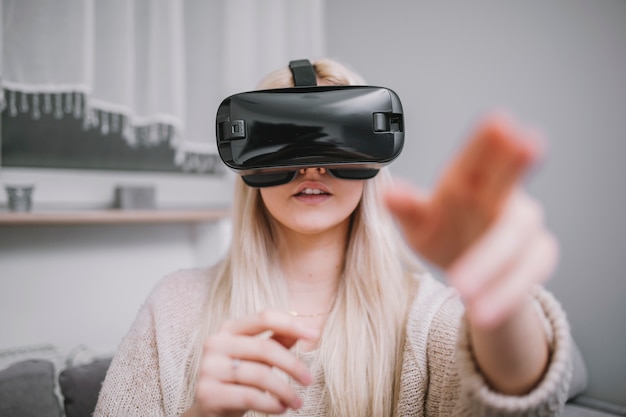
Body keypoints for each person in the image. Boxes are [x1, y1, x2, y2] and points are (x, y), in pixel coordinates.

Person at [94, 58, 572, 416]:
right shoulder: (174, 310)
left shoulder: (424, 319)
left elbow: (514, 395)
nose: (312, 167)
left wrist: (500, 306)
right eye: (287, 142)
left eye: (334, 140)